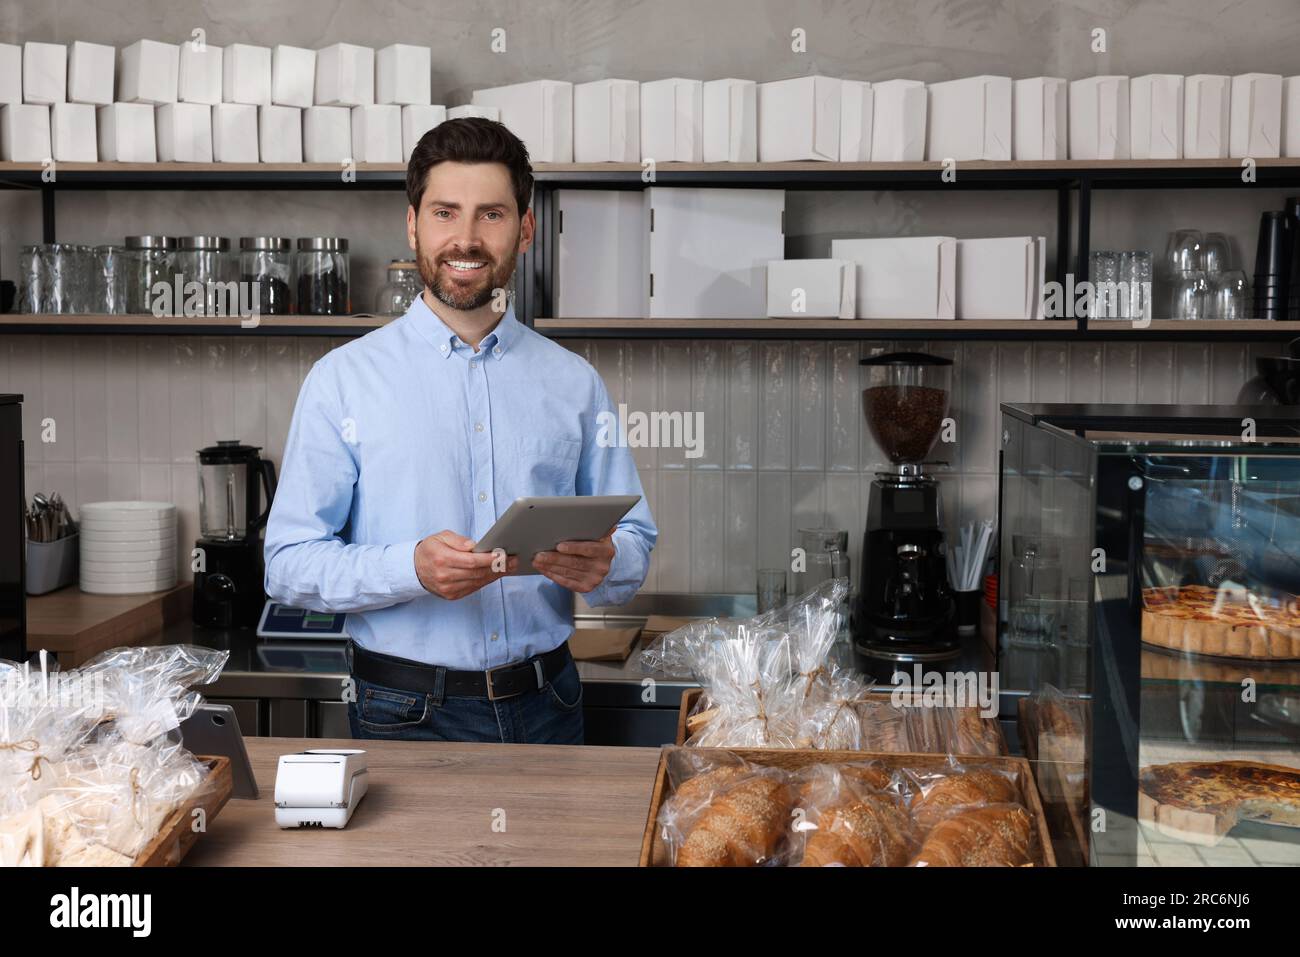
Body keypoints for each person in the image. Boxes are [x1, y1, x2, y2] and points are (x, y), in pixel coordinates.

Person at [264, 118, 657, 744]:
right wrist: (410, 569)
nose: (466, 239)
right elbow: (287, 565)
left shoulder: (574, 382)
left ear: (525, 230)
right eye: (446, 212)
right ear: (413, 223)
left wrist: (606, 564)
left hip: (549, 704)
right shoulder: (342, 381)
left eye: (492, 215)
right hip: (404, 711)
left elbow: (634, 540)